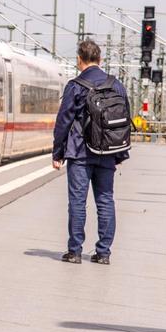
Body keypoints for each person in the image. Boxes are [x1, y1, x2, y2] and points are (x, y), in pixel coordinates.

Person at [52, 39, 129, 265]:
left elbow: (63, 122)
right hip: (107, 152)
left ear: (79, 59)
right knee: (105, 200)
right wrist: (120, 153)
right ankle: (103, 253)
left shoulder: (75, 86)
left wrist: (57, 153)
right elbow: (123, 120)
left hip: (79, 152)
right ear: (100, 59)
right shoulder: (116, 85)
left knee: (77, 201)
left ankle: (75, 252)